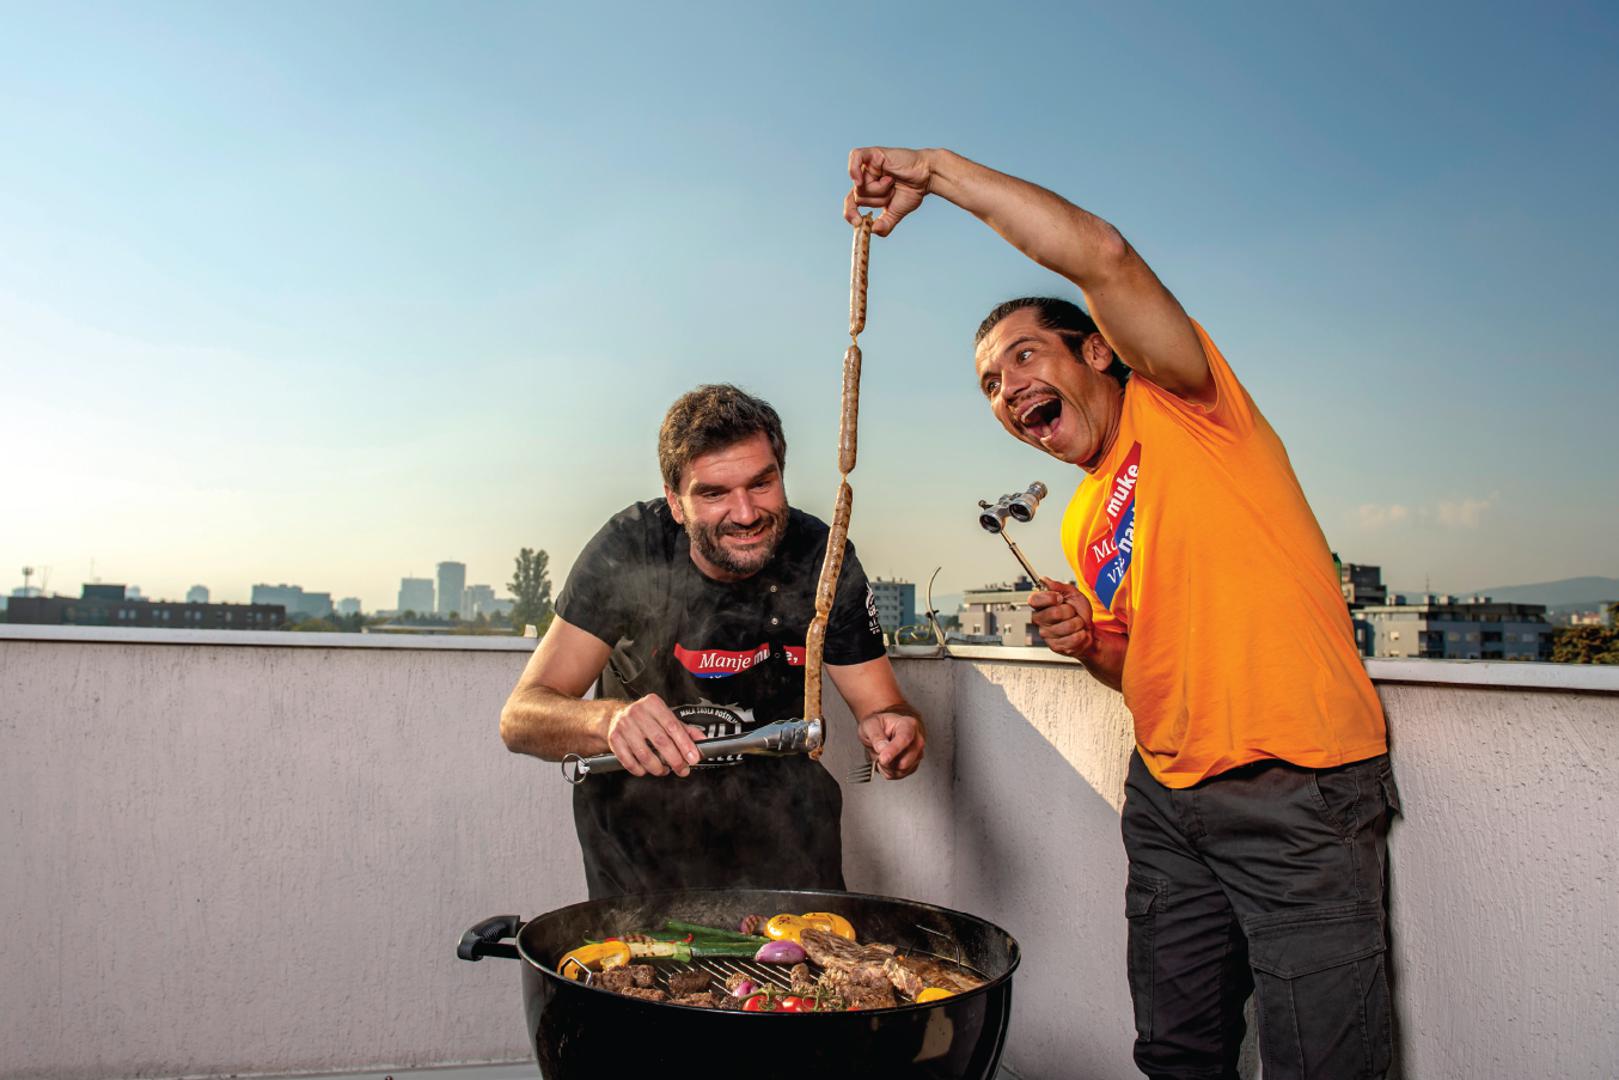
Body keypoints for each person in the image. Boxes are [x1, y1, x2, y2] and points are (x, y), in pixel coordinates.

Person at [845, 147, 1399, 1079]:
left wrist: (935, 174)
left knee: (1322, 1067)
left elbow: (1099, 254)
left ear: (1096, 351)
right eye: (989, 384)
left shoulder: (1188, 405)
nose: (1007, 388)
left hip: (1293, 785)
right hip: (1167, 800)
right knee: (1176, 1053)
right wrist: (1089, 643)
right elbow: (1138, 659)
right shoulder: (1080, 515)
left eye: (1024, 356)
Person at [500, 383, 926, 899]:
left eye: (761, 484)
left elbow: (884, 706)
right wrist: (606, 720)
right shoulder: (631, 547)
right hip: (640, 851)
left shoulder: (822, 555)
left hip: (788, 842)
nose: (745, 513)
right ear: (675, 503)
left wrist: (896, 730)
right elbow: (521, 717)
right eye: (713, 494)